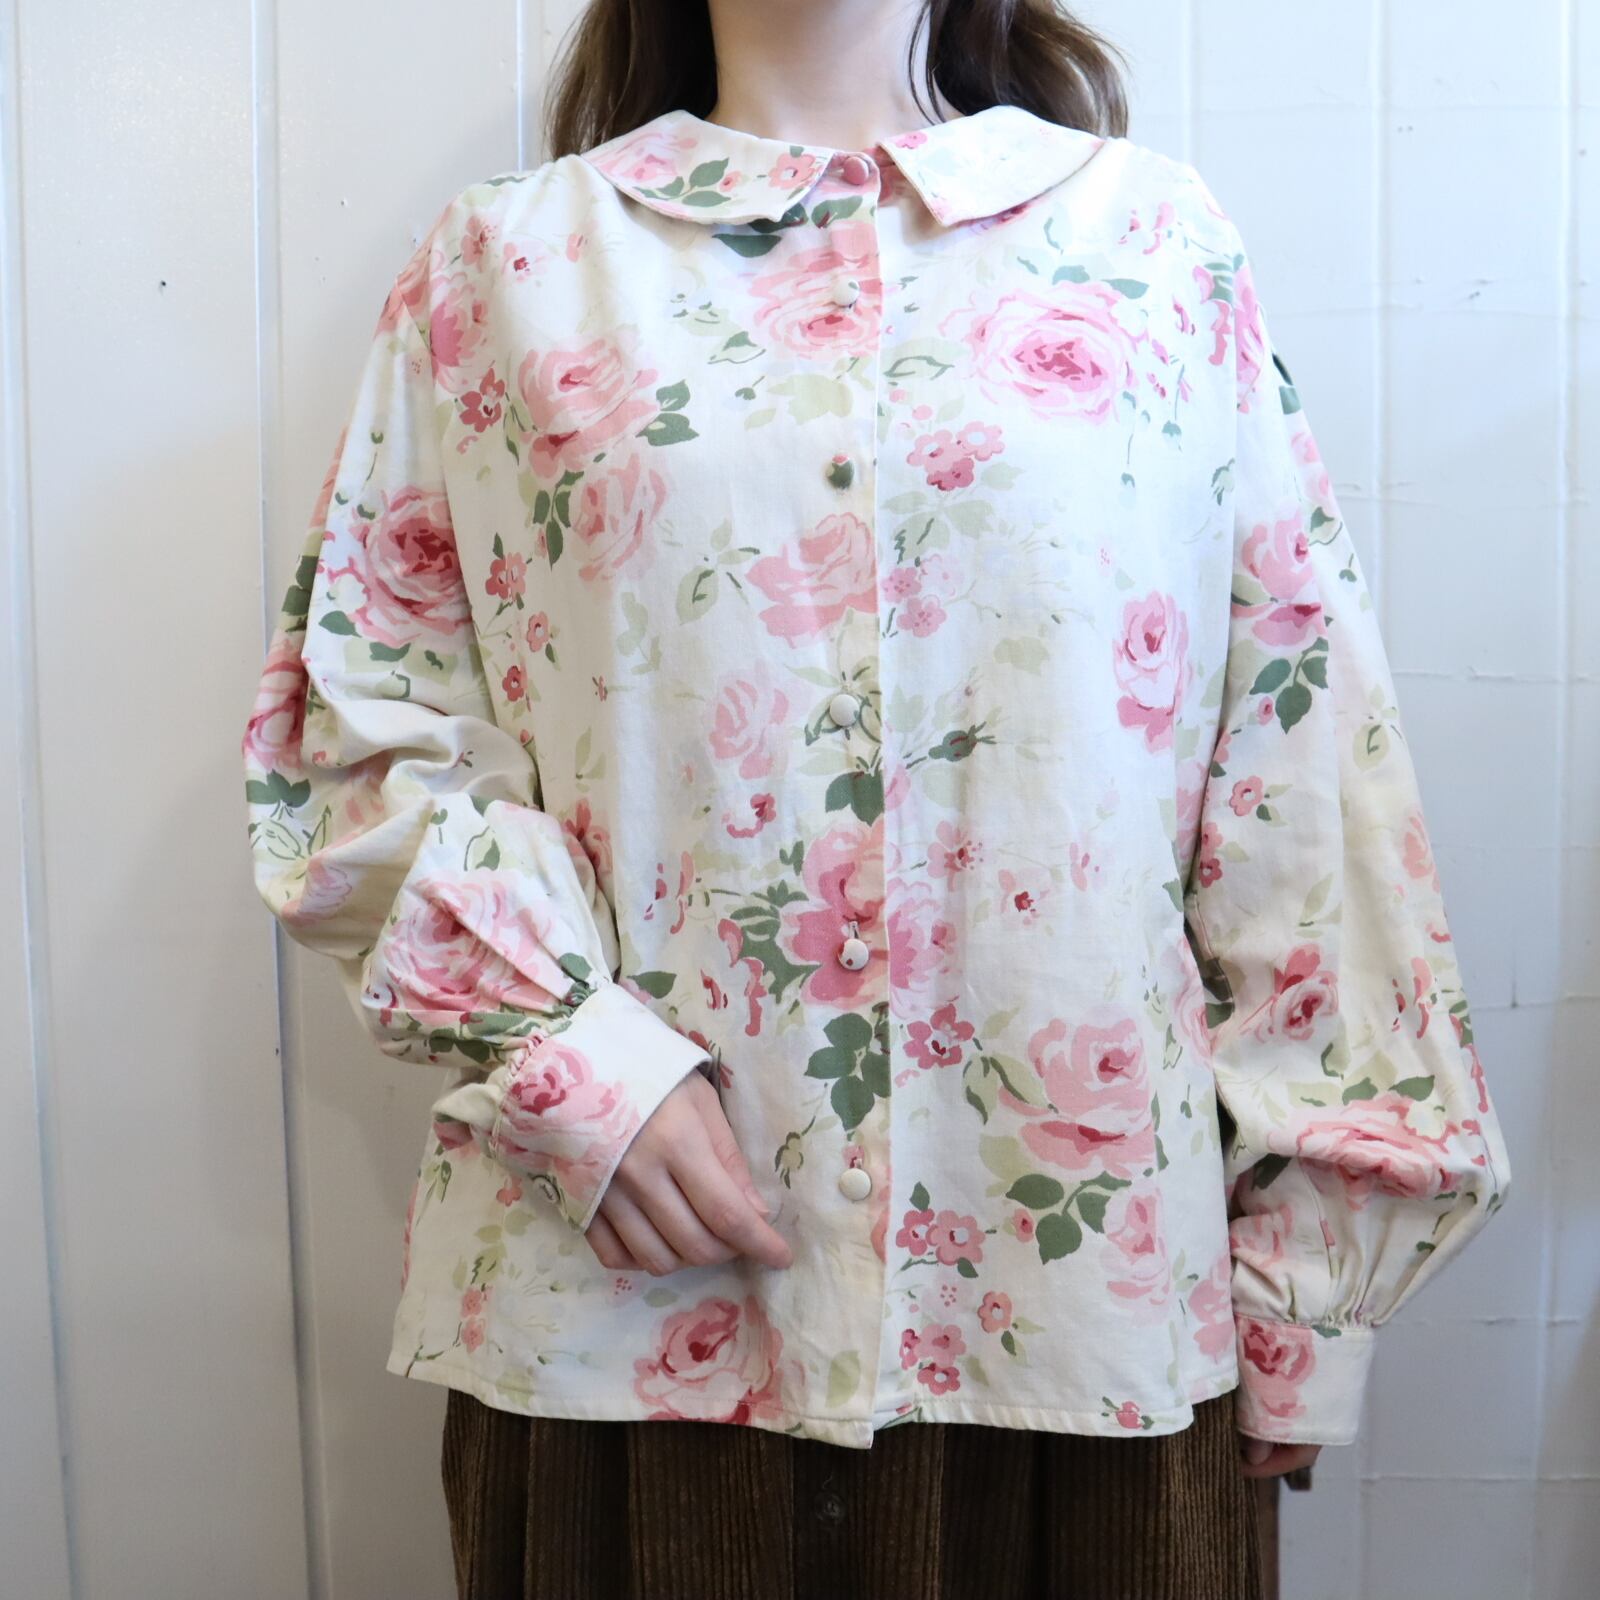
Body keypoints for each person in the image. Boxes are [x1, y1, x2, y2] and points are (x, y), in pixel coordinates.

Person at [239, 2, 1512, 1595]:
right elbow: (360, 728)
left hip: (1084, 1326)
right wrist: (571, 1060)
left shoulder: (1154, 245)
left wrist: (1314, 1269)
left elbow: (1302, 756)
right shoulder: (507, 265)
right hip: (627, 1316)